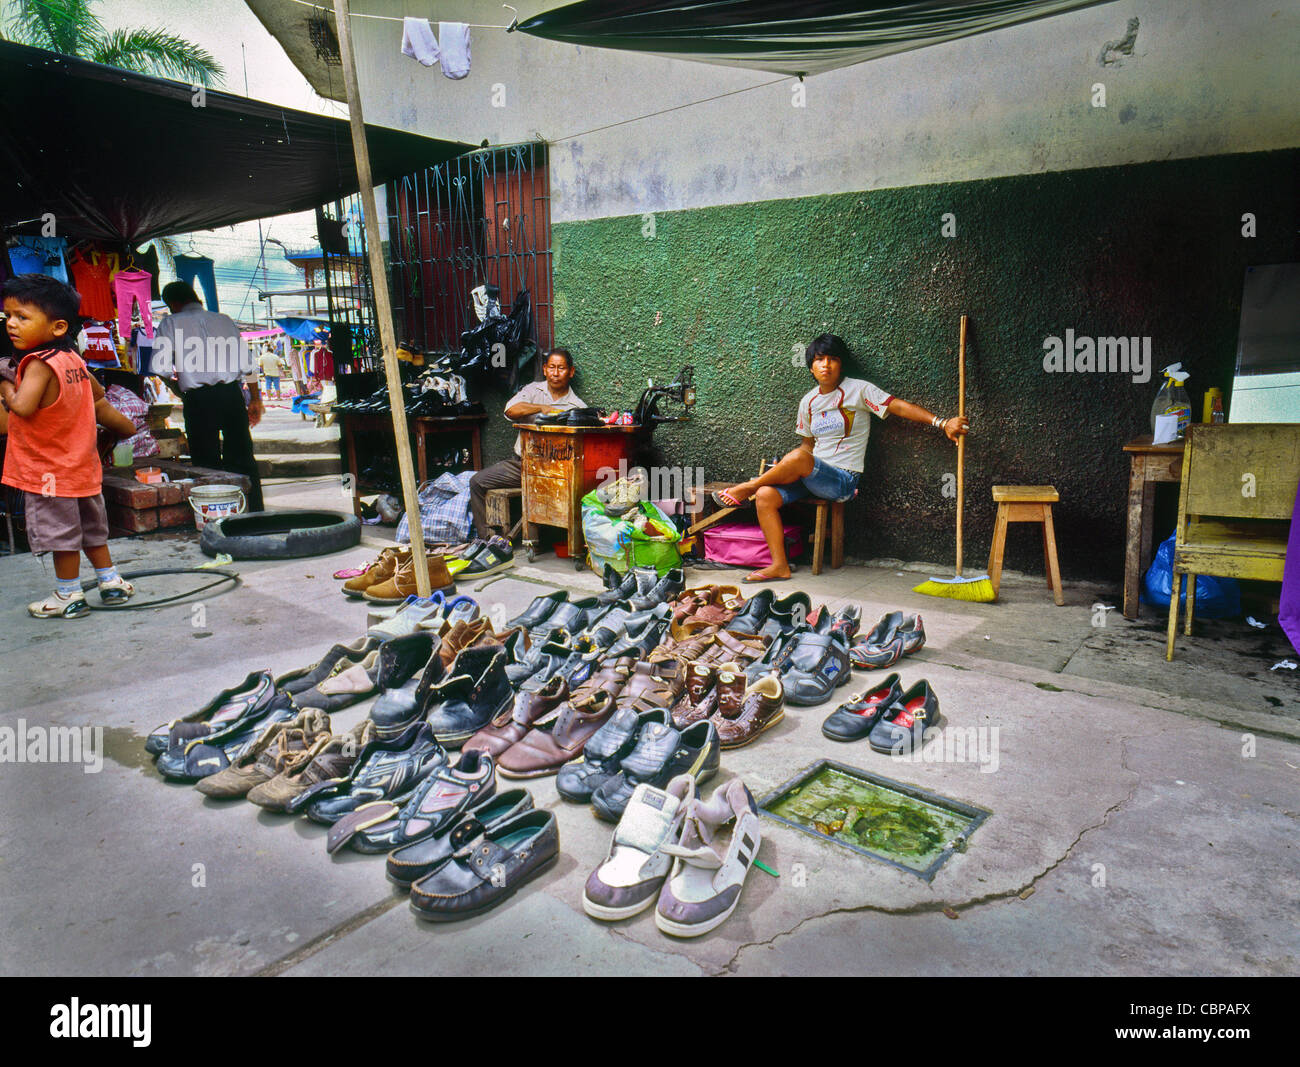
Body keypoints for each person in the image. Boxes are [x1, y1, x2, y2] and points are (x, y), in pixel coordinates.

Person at [715, 333, 969, 582]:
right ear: (811, 367)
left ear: (841, 364)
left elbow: (898, 406)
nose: (825, 365)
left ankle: (746, 487)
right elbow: (807, 445)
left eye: (832, 359)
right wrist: (786, 469)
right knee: (765, 495)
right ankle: (779, 565)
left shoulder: (858, 390)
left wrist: (942, 422)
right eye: (819, 359)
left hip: (842, 481)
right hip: (811, 476)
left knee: (794, 461)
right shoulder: (809, 402)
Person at [0, 274, 139, 618]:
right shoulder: (74, 360)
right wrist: (121, 429)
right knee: (93, 531)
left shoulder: (37, 365)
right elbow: (99, 397)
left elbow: (22, 407)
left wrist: (4, 387)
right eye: (8, 317)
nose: (11, 325)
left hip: (50, 474)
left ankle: (69, 595)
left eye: (22, 317)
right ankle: (110, 583)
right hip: (82, 469)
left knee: (62, 536)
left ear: (59, 326)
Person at [152, 281, 264, 511]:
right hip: (232, 395)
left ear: (173, 303)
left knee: (206, 461)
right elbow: (248, 366)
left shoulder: (170, 323)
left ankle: (217, 513)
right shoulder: (223, 320)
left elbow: (160, 368)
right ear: (195, 298)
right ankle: (253, 511)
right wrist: (256, 399)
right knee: (242, 456)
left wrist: (177, 389)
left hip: (198, 400)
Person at [469, 347, 585, 538]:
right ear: (545, 369)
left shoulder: (578, 406)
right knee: (477, 482)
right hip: (522, 465)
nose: (556, 373)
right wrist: (542, 408)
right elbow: (510, 411)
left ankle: (548, 540)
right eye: (552, 367)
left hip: (556, 472)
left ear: (571, 372)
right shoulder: (533, 390)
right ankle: (488, 541)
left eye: (562, 368)